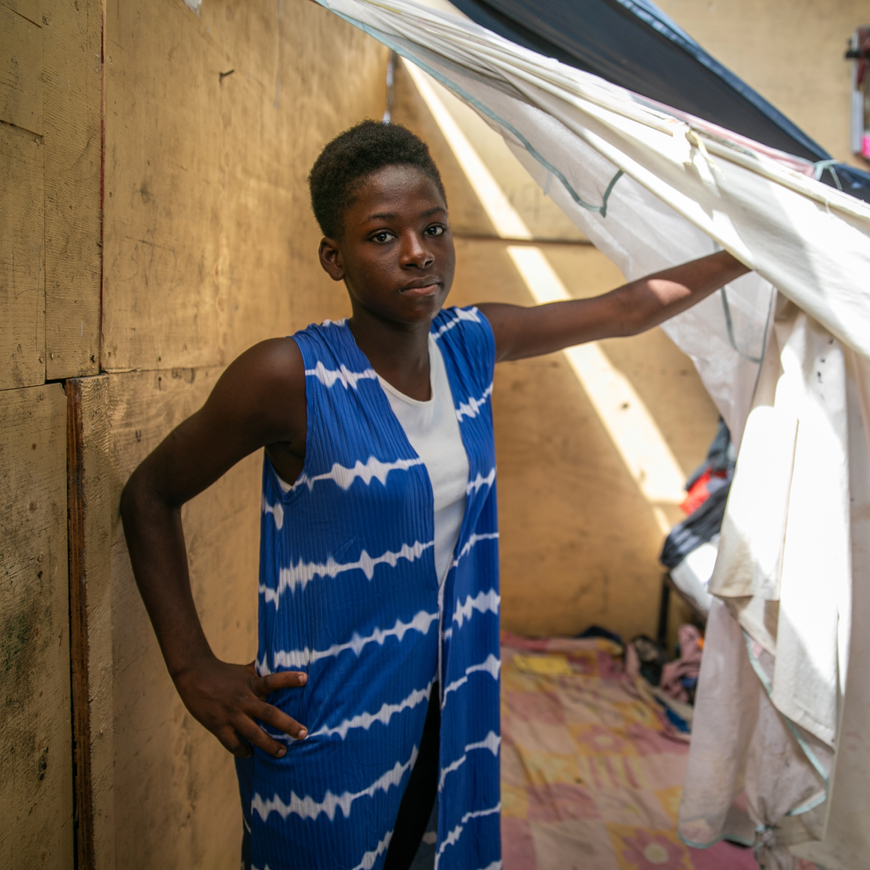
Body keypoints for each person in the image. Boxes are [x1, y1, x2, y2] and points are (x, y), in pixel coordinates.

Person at [120, 119, 750, 870]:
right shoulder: (291, 378)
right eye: (382, 236)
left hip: (448, 716)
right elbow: (149, 494)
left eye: (434, 227)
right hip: (326, 724)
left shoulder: (467, 348)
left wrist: (753, 252)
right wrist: (194, 670)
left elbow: (624, 311)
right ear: (335, 257)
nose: (417, 252)